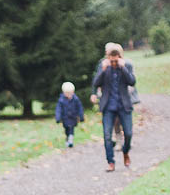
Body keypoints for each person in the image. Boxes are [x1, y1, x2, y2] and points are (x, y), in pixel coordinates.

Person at [92, 44, 137, 172]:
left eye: (115, 60)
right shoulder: (103, 67)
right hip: (108, 106)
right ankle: (110, 162)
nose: (113, 63)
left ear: (119, 57)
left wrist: (123, 68)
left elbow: (132, 81)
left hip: (123, 106)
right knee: (107, 135)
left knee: (128, 133)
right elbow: (95, 83)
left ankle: (125, 152)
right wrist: (103, 70)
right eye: (111, 60)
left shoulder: (125, 66)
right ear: (108, 58)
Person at [55, 81, 85, 148]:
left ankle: (71, 140)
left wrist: (81, 116)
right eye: (67, 93)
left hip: (73, 117)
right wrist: (58, 117)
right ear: (64, 93)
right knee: (67, 129)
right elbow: (58, 109)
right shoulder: (61, 100)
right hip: (65, 118)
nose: (69, 95)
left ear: (73, 92)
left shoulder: (76, 99)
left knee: (71, 128)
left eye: (70, 93)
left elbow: (80, 108)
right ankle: (67, 139)